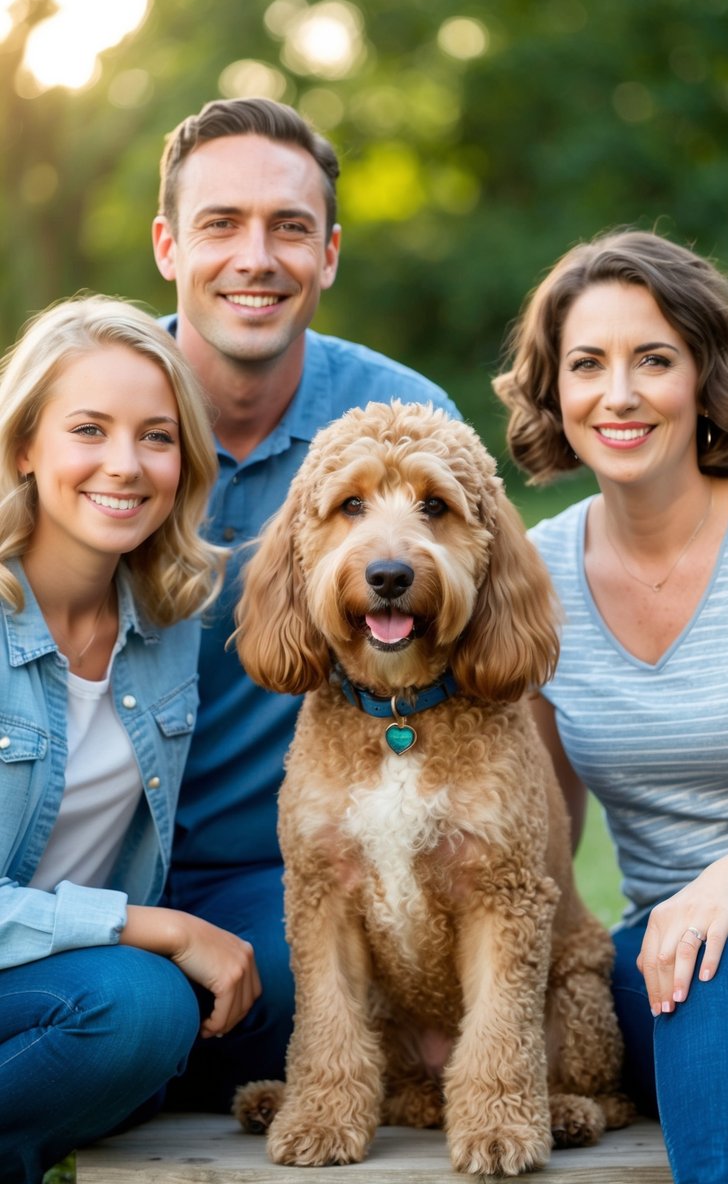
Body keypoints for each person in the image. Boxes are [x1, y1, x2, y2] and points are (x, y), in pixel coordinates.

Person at [494, 228, 728, 1184]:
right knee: (696, 960)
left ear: (704, 376)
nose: (620, 394)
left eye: (654, 359)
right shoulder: (538, 575)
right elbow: (541, 839)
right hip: (671, 969)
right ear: (554, 390)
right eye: (587, 364)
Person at [150, 96, 459, 1110]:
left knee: (288, 987)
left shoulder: (401, 424)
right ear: (167, 246)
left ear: (327, 254)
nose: (256, 256)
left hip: (275, 868)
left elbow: (478, 663)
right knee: (138, 1008)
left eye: (288, 228)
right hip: (79, 855)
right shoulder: (102, 416)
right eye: (220, 224)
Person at [0, 296, 261, 1184]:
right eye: (88, 430)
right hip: (79, 971)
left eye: (156, 436)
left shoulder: (170, 620)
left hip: (51, 979)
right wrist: (146, 925)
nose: (125, 465)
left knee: (219, 1003)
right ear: (25, 446)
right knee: (142, 1009)